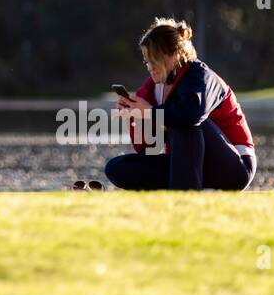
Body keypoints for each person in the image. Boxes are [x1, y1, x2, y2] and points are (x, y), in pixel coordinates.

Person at [104, 17, 256, 191]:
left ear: (174, 54)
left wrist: (149, 112)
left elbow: (190, 115)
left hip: (235, 166)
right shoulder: (151, 88)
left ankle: (184, 197)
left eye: (155, 60)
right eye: (147, 61)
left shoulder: (200, 76)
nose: (150, 67)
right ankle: (181, 189)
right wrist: (134, 117)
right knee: (117, 167)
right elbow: (146, 148)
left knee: (185, 123)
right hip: (189, 163)